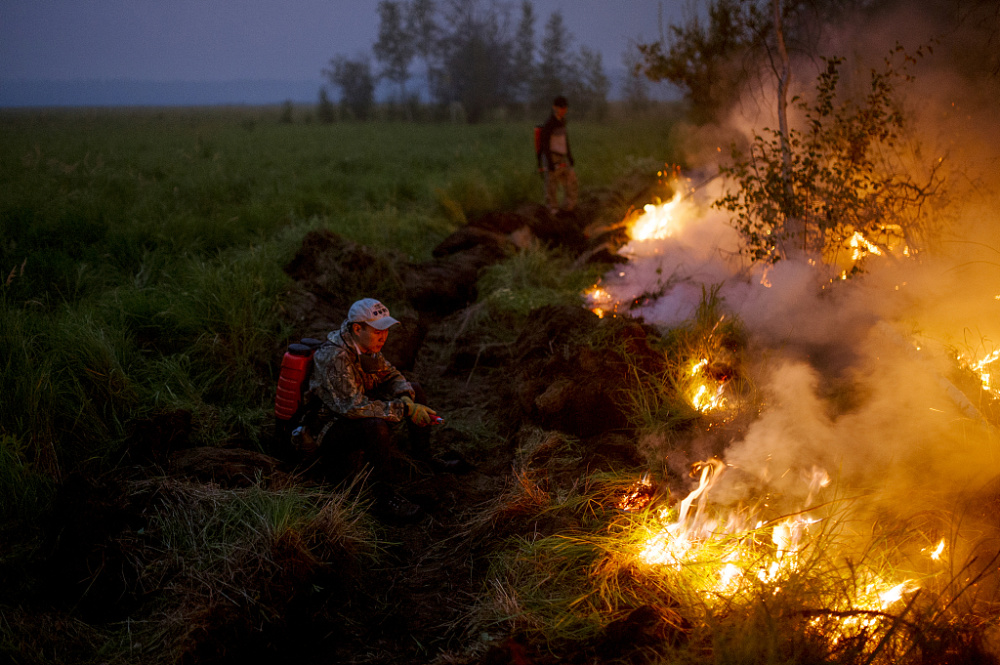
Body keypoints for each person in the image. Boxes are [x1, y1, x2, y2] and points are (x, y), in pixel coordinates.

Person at [302, 298, 438, 521]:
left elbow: (391, 374)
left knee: (414, 389)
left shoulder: (367, 347)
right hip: (328, 427)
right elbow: (354, 407)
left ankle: (424, 458)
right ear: (357, 328)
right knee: (375, 426)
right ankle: (384, 499)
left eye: (385, 330)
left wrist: (407, 398)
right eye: (378, 331)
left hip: (351, 413)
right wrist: (403, 409)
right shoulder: (335, 357)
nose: (383, 337)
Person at [538, 95, 578, 216]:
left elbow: (565, 139)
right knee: (551, 183)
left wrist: (570, 156)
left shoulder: (562, 121)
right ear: (554, 107)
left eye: (565, 107)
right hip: (552, 156)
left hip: (562, 156)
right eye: (561, 107)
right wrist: (549, 161)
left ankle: (568, 206)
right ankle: (552, 209)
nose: (563, 110)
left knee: (571, 179)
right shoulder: (550, 123)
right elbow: (544, 143)